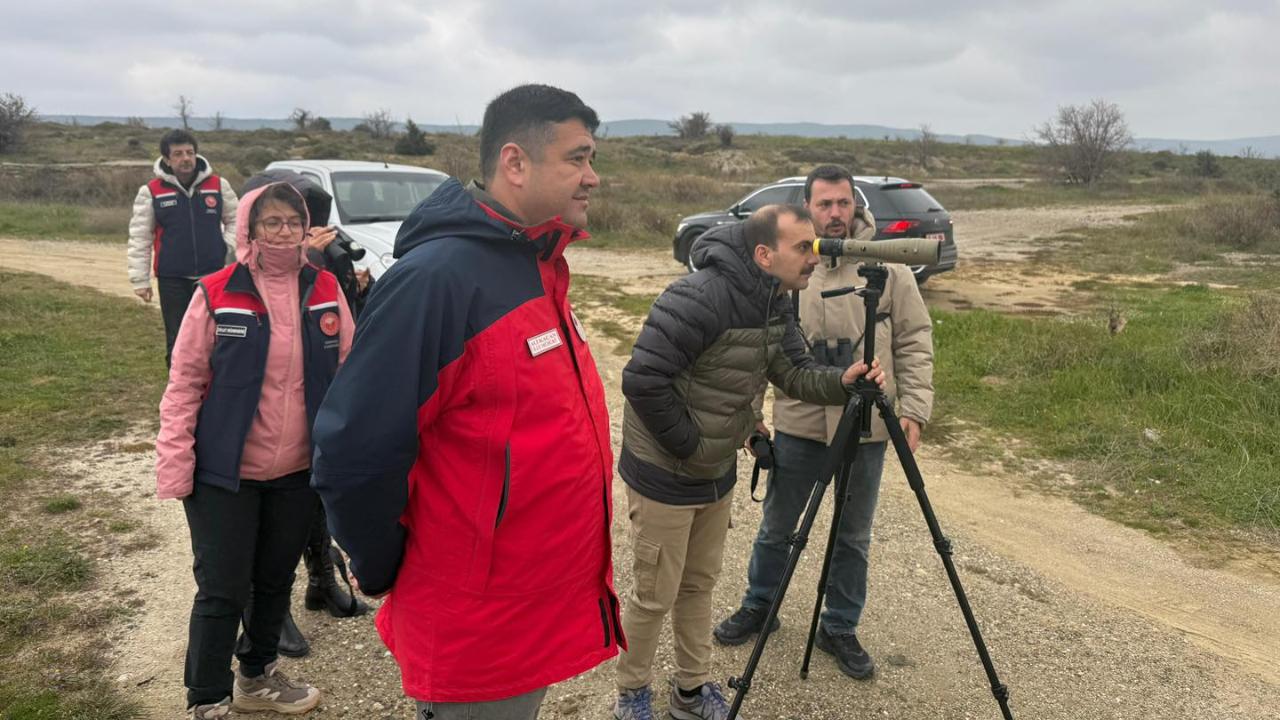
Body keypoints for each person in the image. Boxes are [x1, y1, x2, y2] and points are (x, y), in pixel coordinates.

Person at [311, 84, 620, 720]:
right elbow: (354, 450)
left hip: (525, 609)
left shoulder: (534, 262)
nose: (593, 177)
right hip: (475, 623)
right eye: (579, 158)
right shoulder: (437, 281)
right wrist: (382, 566)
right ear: (515, 163)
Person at [613, 203, 885, 720]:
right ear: (764, 254)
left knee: (698, 586)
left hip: (713, 473)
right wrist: (692, 444)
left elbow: (795, 371)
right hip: (665, 472)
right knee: (655, 595)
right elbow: (642, 379)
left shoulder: (775, 301)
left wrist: (842, 381)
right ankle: (632, 692)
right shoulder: (698, 297)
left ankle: (689, 691)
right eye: (802, 247)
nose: (814, 257)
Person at [714, 164, 934, 681]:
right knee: (776, 526)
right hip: (799, 424)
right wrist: (751, 418)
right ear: (808, 208)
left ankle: (838, 626)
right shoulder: (790, 269)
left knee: (852, 535)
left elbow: (915, 341)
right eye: (823, 204)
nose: (835, 213)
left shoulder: (890, 269)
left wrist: (915, 409)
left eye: (842, 203)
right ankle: (759, 604)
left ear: (854, 206)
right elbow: (756, 349)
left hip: (867, 431)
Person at [156, 181, 354, 719]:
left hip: (296, 472)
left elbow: (349, 376)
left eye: (294, 220)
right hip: (224, 474)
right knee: (221, 588)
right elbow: (184, 385)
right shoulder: (216, 292)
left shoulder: (326, 290)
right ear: (249, 228)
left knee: (273, 580)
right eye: (272, 222)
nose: (284, 231)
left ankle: (256, 678)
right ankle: (207, 698)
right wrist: (176, 463)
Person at [127, 129, 238, 366]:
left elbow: (237, 221)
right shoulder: (151, 192)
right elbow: (140, 237)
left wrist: (226, 248)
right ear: (167, 160)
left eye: (190, 152)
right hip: (172, 278)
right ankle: (178, 397)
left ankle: (213, 392)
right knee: (178, 339)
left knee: (215, 336)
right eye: (178, 154)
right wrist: (140, 279)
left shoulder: (218, 185)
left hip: (214, 276)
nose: (186, 158)